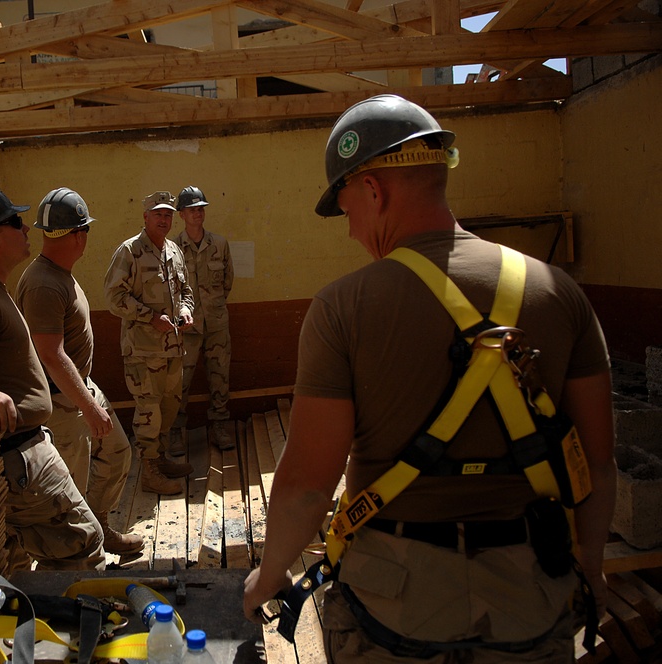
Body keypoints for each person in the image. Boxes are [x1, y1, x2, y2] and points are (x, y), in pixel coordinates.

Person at [243, 95, 617, 662]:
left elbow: (307, 487)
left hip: (393, 602)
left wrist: (267, 578)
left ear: (373, 190)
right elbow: (597, 459)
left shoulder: (343, 308)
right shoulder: (558, 292)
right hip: (531, 592)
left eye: (347, 211)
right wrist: (587, 566)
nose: (350, 232)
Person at [0, 182, 106, 573]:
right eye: (15, 222)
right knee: (83, 547)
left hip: (25, 449)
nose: (27, 229)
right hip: (21, 454)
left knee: (18, 562)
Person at [16, 187, 144, 555]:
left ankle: (101, 526)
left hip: (80, 389)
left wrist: (90, 397)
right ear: (78, 235)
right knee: (71, 488)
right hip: (63, 403)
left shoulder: (58, 273)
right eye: (84, 230)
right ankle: (81, 559)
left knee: (117, 452)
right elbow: (51, 355)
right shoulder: (43, 283)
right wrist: (87, 407)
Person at [104, 191, 196, 495]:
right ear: (145, 217)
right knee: (149, 412)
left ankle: (160, 459)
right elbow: (114, 298)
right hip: (143, 353)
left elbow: (186, 291)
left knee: (169, 408)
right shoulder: (130, 251)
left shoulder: (174, 250)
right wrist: (148, 316)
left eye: (168, 214)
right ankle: (148, 473)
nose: (164, 219)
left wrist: (185, 309)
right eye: (158, 214)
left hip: (172, 348)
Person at [171, 185, 235, 454]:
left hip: (217, 324)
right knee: (180, 381)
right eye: (192, 210)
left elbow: (228, 281)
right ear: (182, 214)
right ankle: (176, 431)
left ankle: (220, 426)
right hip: (188, 327)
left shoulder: (219, 244)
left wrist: (214, 307)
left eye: (201, 209)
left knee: (220, 377)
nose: (198, 214)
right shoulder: (173, 248)